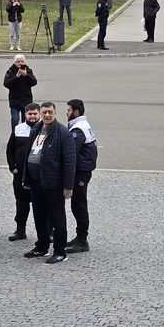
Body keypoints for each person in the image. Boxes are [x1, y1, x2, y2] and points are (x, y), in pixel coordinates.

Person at [23, 102, 76, 264]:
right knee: (39, 216)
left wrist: (68, 186)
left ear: (55, 113)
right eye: (44, 112)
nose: (47, 115)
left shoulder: (62, 132)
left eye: (50, 112)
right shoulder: (36, 130)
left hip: (54, 183)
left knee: (57, 218)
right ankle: (42, 246)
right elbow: (28, 155)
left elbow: (70, 160)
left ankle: (60, 251)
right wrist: (26, 178)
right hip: (36, 182)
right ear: (40, 113)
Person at [65, 99, 98, 253]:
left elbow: (70, 152)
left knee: (79, 205)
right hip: (83, 170)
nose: (67, 113)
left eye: (69, 110)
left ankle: (82, 241)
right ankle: (79, 237)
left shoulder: (78, 129)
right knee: (77, 204)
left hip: (81, 172)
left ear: (76, 112)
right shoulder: (81, 125)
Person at [6, 102, 40, 241]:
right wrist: (12, 167)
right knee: (21, 203)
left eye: (35, 114)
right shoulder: (18, 129)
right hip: (20, 174)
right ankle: (20, 231)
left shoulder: (45, 129)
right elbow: (10, 149)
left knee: (42, 204)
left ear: (39, 114)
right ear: (25, 114)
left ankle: (47, 232)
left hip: (38, 175)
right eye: (30, 114)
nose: (32, 117)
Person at [3, 54, 37, 128]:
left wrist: (26, 76)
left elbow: (34, 82)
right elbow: (6, 84)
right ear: (15, 62)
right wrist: (16, 77)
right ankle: (14, 135)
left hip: (26, 99)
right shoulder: (10, 71)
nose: (20, 63)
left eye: (22, 61)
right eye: (18, 61)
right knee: (15, 119)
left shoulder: (28, 70)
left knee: (25, 120)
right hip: (15, 100)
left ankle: (25, 135)